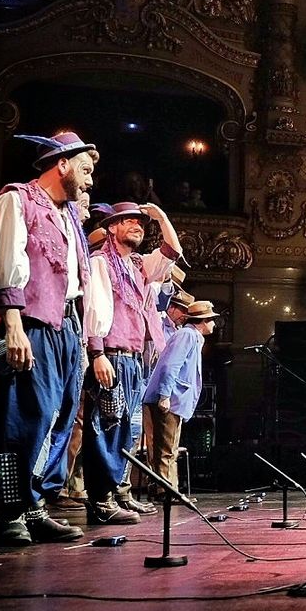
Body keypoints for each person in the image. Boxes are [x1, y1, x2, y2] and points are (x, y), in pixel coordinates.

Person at [0, 131, 98, 546]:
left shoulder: (68, 217)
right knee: (23, 418)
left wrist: (81, 342)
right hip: (30, 323)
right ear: (61, 164)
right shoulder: (17, 200)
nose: (90, 180)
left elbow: (76, 283)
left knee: (60, 418)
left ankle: (36, 506)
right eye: (85, 169)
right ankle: (11, 512)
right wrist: (13, 325)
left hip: (65, 327)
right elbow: (5, 263)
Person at [82, 201, 183, 525]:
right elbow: (94, 308)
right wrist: (97, 353)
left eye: (140, 223)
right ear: (112, 227)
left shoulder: (137, 264)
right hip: (111, 355)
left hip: (132, 358)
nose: (138, 226)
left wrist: (161, 216)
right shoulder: (101, 262)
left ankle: (115, 494)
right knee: (106, 428)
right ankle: (100, 500)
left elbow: (172, 251)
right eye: (128, 221)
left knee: (127, 431)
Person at [141, 297, 217, 500]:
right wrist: (165, 395)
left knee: (168, 448)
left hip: (173, 399)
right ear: (202, 321)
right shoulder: (187, 335)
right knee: (166, 448)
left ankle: (165, 489)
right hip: (169, 399)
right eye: (211, 319)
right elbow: (170, 365)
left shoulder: (192, 337)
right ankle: (165, 491)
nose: (214, 324)